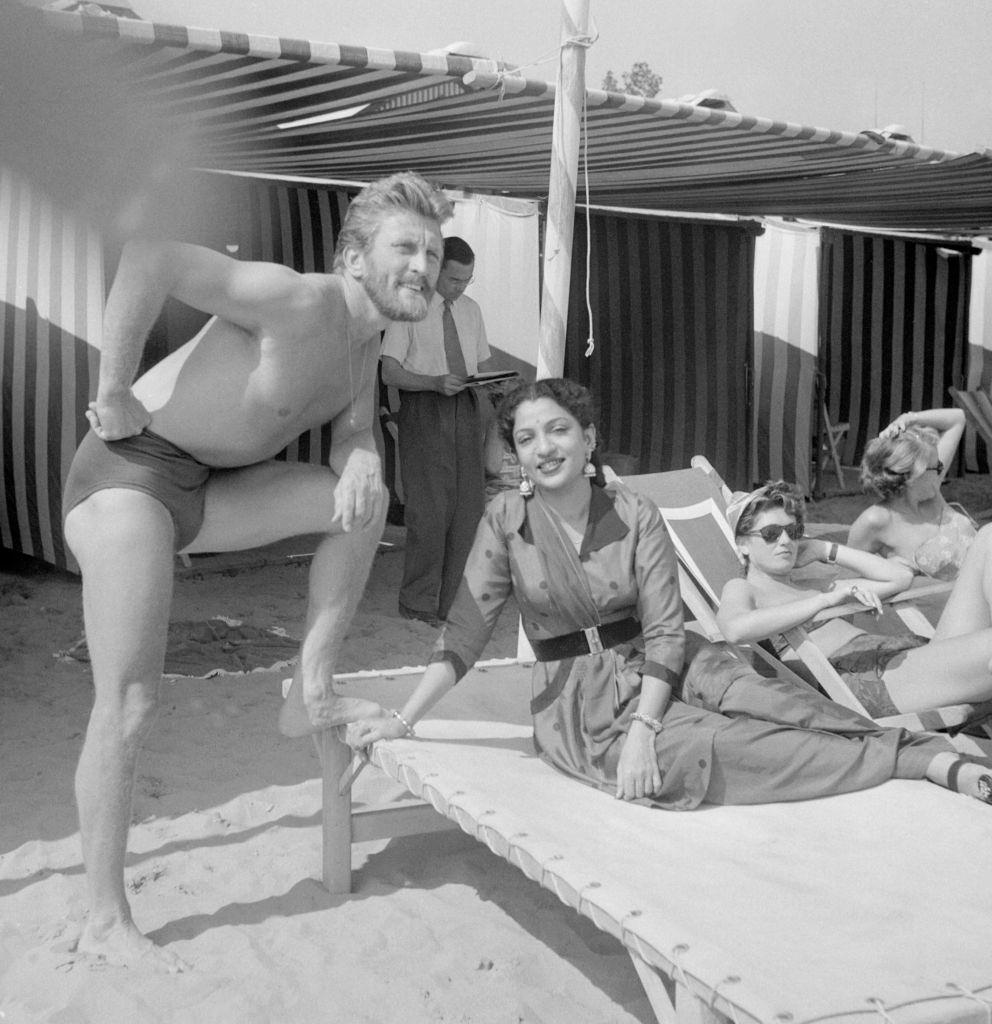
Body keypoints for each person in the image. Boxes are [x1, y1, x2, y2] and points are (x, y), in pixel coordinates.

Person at [62, 171, 453, 971]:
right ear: (353, 257)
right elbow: (150, 255)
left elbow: (349, 433)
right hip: (129, 476)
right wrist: (112, 388)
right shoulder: (298, 300)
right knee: (131, 703)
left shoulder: (366, 343)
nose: (424, 264)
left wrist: (363, 457)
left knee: (365, 502)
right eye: (405, 247)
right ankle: (104, 917)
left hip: (208, 493)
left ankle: (309, 686)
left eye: (434, 250)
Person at [344, 379, 992, 813]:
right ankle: (919, 761)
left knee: (778, 700)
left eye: (559, 430)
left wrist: (645, 725)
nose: (545, 448)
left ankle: (916, 752)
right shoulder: (505, 525)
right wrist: (403, 722)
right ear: (516, 453)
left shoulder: (634, 512)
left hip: (678, 659)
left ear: (589, 438)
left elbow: (663, 629)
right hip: (581, 700)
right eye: (526, 437)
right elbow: (463, 634)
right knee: (728, 748)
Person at [717, 480, 992, 720]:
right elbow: (735, 628)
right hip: (873, 681)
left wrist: (823, 548)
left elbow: (898, 577)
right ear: (742, 544)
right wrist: (824, 602)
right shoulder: (743, 588)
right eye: (771, 534)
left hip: (907, 657)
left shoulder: (815, 586)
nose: (786, 541)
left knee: (988, 537)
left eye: (794, 532)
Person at [380, 236, 501, 626]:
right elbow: (389, 371)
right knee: (429, 514)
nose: (460, 288)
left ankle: (452, 604)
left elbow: (482, 365)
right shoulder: (408, 309)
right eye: (453, 280)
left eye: (467, 280)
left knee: (468, 512)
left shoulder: (472, 310)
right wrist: (433, 382)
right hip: (424, 409)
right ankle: (416, 602)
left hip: (466, 409)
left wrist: (497, 384)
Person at [848, 407, 979, 581]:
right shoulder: (876, 520)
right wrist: (887, 572)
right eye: (937, 467)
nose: (942, 471)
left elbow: (958, 418)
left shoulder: (932, 491)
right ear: (912, 476)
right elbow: (847, 579)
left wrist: (909, 419)